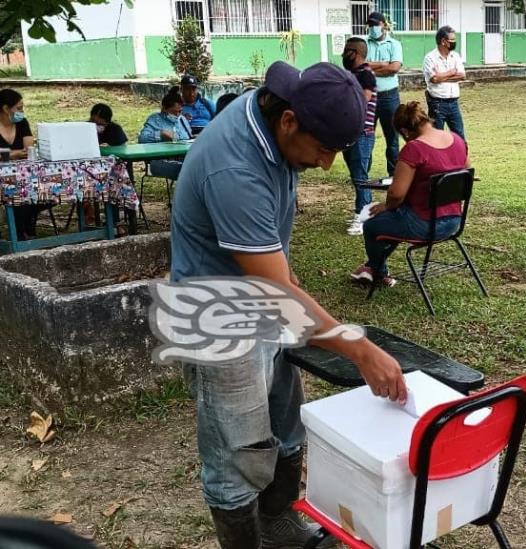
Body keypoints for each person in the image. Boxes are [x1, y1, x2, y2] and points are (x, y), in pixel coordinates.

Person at [170, 61, 407, 549]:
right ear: (289, 121)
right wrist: (360, 351)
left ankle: (279, 526)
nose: (326, 165)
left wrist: (288, 279)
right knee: (238, 454)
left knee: (286, 422)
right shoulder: (234, 167)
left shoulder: (274, 117)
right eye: (323, 151)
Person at [351, 101, 468, 286]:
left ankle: (378, 272)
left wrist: (385, 206)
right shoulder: (457, 140)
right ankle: (372, 268)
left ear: (405, 132)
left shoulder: (414, 149)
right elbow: (466, 172)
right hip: (454, 220)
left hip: (425, 224)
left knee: (373, 226)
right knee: (393, 219)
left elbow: (397, 194)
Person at [342, 36, 378, 236]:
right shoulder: (354, 73)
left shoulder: (365, 74)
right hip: (352, 132)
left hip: (362, 133)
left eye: (347, 50)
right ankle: (363, 211)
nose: (343, 54)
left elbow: (362, 102)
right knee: (358, 175)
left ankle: (363, 218)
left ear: (355, 53)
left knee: (360, 177)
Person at [366, 11, 403, 176]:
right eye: (370, 25)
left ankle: (393, 173)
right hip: (368, 96)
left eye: (376, 24)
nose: (373, 28)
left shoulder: (394, 44)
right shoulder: (364, 43)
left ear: (383, 25)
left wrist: (370, 69)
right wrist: (382, 64)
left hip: (390, 97)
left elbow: (394, 68)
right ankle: (363, 172)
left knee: (392, 138)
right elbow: (359, 65)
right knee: (366, 136)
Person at [0, 88, 40, 240]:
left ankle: (22, 232)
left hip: (21, 176)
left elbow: (27, 149)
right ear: (5, 108)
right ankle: (20, 233)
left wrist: (6, 155)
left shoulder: (22, 123)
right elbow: (18, 152)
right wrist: (13, 154)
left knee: (36, 195)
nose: (22, 111)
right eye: (19, 108)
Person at [138, 86, 192, 180]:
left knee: (202, 165)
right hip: (159, 160)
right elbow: (142, 138)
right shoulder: (154, 119)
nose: (177, 115)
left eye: (180, 111)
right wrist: (160, 134)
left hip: (182, 157)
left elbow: (188, 137)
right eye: (174, 112)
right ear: (164, 109)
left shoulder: (182, 120)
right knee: (185, 170)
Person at [423, 25, 466, 141]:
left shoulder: (455, 56)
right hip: (437, 104)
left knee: (460, 139)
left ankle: (459, 159)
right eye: (452, 40)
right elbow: (434, 79)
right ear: (443, 41)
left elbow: (462, 75)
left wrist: (442, 76)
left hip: (454, 103)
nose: (454, 42)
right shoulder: (430, 58)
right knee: (436, 140)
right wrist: (452, 72)